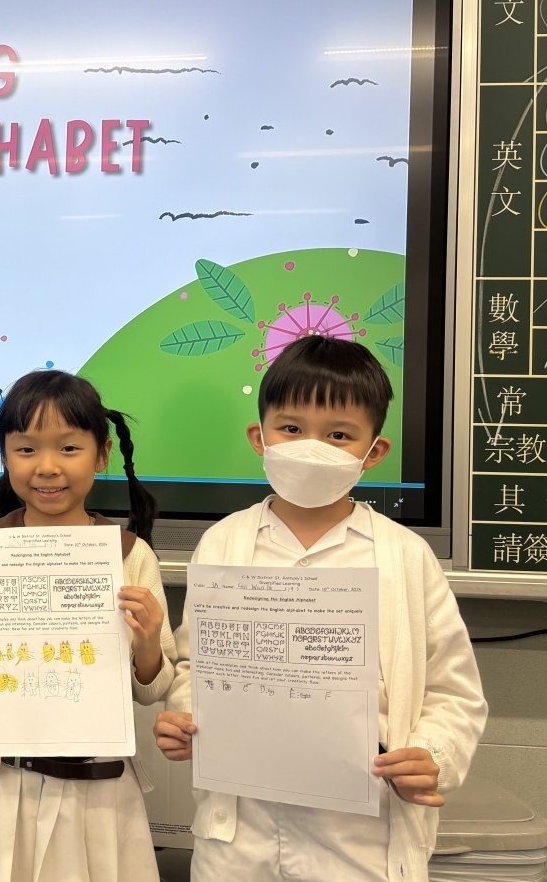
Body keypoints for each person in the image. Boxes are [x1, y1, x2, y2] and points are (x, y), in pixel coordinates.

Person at [153, 334, 487, 882]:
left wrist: (433, 755)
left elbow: (454, 690)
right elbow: (195, 666)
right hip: (239, 839)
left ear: (373, 451)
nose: (312, 448)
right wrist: (187, 718)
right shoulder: (223, 543)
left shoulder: (406, 556)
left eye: (338, 435)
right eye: (291, 429)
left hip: (362, 843)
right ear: (260, 438)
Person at [0, 368, 176, 882]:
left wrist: (147, 642)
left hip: (95, 787)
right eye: (27, 449)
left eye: (69, 448)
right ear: (5, 455)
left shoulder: (130, 555)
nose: (48, 467)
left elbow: (153, 689)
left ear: (102, 454)